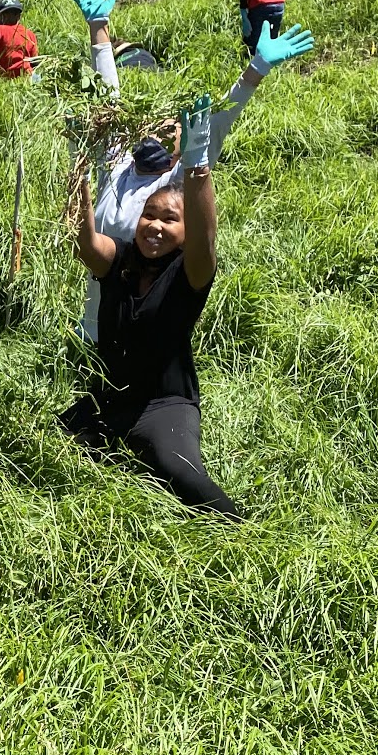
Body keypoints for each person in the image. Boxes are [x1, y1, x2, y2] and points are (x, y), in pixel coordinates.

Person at [69, 0, 314, 341]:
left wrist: (258, 66)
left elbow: (221, 119)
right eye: (151, 125)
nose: (157, 132)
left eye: (170, 128)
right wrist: (99, 29)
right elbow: (109, 100)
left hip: (146, 335)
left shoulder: (174, 185)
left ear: (185, 140)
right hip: (92, 330)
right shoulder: (118, 165)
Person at [60, 97, 241, 519]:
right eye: (149, 216)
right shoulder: (120, 259)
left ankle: (244, 531)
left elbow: (205, 237)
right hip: (108, 398)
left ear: (184, 231)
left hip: (163, 406)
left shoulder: (190, 274)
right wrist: (78, 167)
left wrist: (197, 165)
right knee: (51, 442)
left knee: (183, 475)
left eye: (169, 220)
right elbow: (85, 243)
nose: (155, 226)